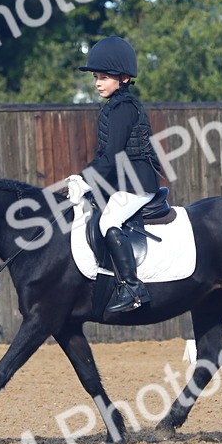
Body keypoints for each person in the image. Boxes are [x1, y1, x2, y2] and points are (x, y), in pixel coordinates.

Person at [65, 36, 165, 314]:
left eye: (104, 77)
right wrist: (81, 177)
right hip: (123, 182)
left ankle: (134, 287)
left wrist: (85, 180)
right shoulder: (113, 106)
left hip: (137, 183)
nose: (97, 82)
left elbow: (111, 157)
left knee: (109, 220)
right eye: (96, 77)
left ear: (123, 78)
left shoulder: (122, 107)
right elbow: (103, 156)